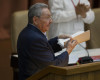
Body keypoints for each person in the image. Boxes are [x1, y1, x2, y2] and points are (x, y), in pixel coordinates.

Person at [17, 3, 78, 80]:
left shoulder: (28, 31)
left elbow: (43, 48)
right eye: (47, 18)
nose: (51, 21)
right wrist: (68, 50)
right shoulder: (35, 38)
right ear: (35, 20)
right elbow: (53, 66)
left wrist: (59, 40)